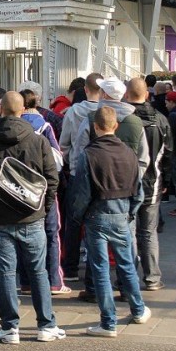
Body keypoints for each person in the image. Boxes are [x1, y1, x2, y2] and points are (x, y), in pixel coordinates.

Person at [0, 92, 63, 344]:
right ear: (23, 111)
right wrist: (43, 207)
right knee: (38, 271)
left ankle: (10, 328)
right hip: (32, 216)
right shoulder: (38, 141)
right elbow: (52, 179)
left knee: (5, 273)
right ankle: (46, 325)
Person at [72, 107, 150, 337]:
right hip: (122, 213)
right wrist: (130, 212)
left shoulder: (89, 154)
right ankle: (137, 309)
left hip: (96, 215)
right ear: (115, 126)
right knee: (127, 265)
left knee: (100, 269)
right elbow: (139, 191)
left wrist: (79, 216)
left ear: (95, 127)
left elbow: (82, 192)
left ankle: (108, 322)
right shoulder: (128, 152)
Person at [18, 89, 70, 296]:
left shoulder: (9, 126)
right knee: (51, 233)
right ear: (37, 103)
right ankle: (54, 281)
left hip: (17, 188)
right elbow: (57, 159)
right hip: (43, 186)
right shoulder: (45, 126)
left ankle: (26, 281)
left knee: (21, 233)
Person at [126, 78, 172, 291]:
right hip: (153, 181)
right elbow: (169, 153)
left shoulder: (124, 119)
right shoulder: (161, 119)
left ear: (126, 95)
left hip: (126, 184)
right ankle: (152, 278)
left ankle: (128, 278)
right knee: (148, 232)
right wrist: (167, 181)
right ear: (147, 95)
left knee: (129, 231)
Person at [58, 72, 103, 282]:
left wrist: (67, 161)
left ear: (85, 89)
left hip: (77, 170)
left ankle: (71, 267)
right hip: (103, 171)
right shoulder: (108, 111)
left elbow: (64, 142)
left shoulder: (74, 111)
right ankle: (97, 265)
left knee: (73, 220)